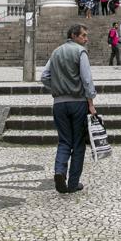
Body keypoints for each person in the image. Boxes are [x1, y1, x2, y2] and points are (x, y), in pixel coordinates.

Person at [41, 24, 96, 194]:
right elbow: (86, 80)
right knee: (78, 143)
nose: (86, 39)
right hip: (78, 102)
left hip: (59, 104)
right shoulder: (80, 52)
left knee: (64, 141)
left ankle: (59, 171)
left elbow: (44, 77)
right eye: (83, 36)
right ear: (73, 35)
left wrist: (57, 88)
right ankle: (73, 183)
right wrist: (91, 103)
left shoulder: (56, 52)